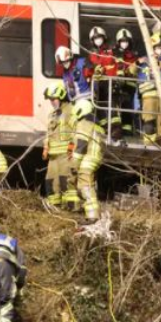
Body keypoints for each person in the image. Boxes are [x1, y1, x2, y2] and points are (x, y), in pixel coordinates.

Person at [42, 81, 80, 211]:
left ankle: (72, 211)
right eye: (50, 100)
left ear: (62, 96)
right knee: (50, 183)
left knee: (67, 184)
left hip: (66, 156)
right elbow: (49, 133)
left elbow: (78, 132)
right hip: (53, 157)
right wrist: (46, 147)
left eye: (54, 99)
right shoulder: (53, 115)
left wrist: (72, 149)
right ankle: (54, 210)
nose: (52, 102)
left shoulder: (71, 111)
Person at [68, 99, 104, 223]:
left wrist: (74, 164)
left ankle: (93, 216)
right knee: (88, 186)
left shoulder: (84, 123)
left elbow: (81, 145)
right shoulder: (96, 124)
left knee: (85, 186)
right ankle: (91, 213)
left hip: (88, 159)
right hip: (95, 158)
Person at [113, 28, 140, 138]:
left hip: (130, 86)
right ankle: (115, 130)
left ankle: (127, 130)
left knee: (127, 107)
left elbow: (135, 70)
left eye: (126, 41)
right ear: (118, 42)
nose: (124, 43)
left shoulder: (134, 56)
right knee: (114, 107)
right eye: (122, 41)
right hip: (116, 85)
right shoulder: (113, 54)